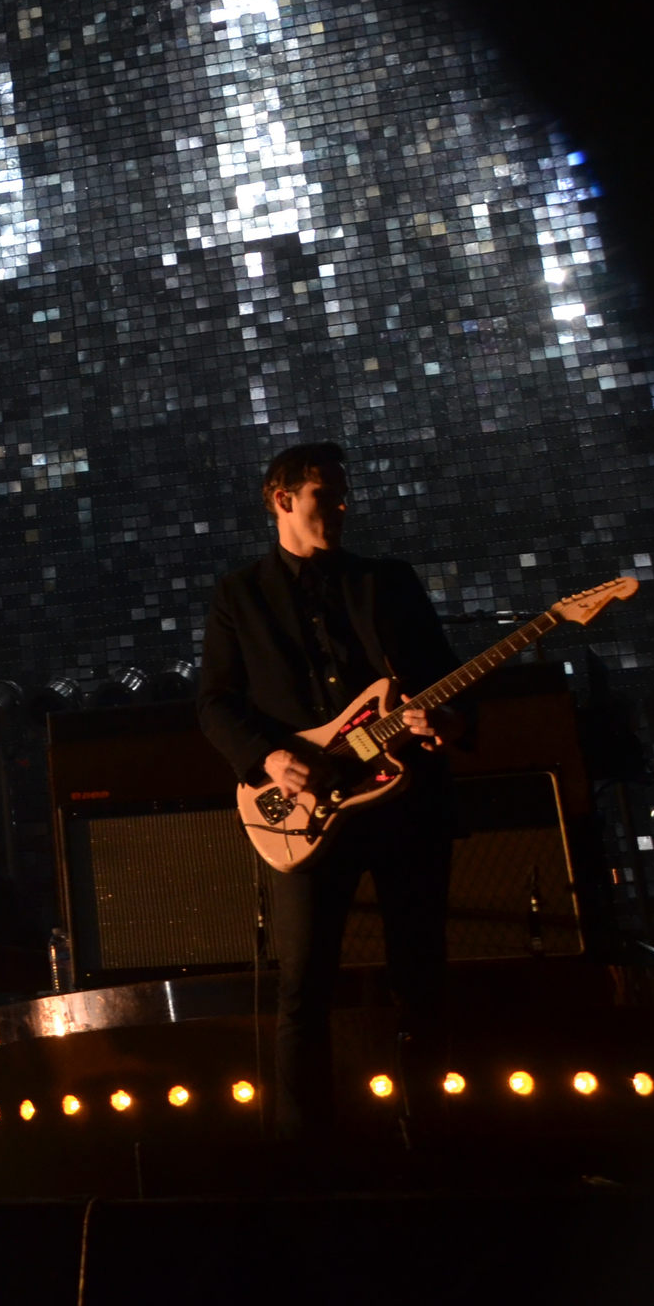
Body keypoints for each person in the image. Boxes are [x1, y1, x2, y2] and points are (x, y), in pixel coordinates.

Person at [196, 443, 464, 1142]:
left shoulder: (389, 581)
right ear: (280, 498)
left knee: (422, 982)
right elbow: (215, 705)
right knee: (303, 988)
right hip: (307, 811)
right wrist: (271, 758)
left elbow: (444, 678)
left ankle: (433, 1141)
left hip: (406, 802)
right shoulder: (238, 595)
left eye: (344, 495)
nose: (341, 507)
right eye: (325, 494)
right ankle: (304, 1156)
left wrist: (443, 722)